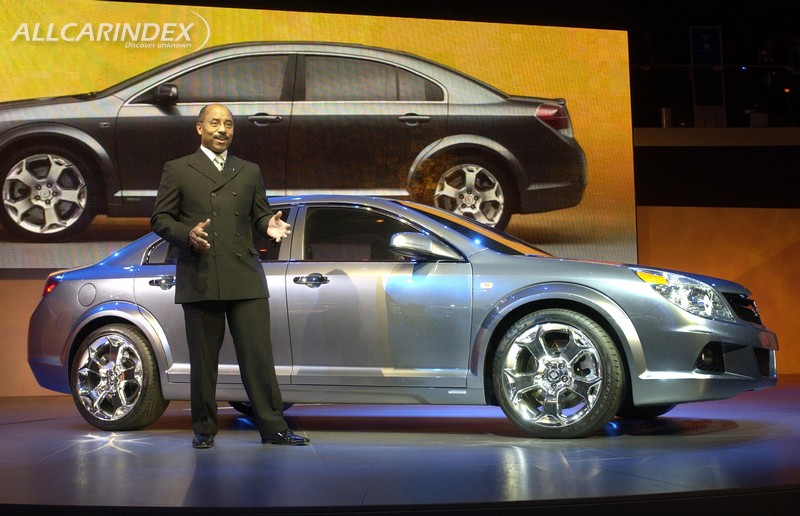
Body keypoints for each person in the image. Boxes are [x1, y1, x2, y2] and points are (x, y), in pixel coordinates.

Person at [151, 103, 309, 448]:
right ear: (199, 128)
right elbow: (160, 219)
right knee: (203, 361)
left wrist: (268, 225)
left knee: (258, 357)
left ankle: (273, 427)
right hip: (200, 272)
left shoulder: (249, 170)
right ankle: (204, 429)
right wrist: (187, 234)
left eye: (228, 124)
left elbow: (260, 215)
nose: (222, 130)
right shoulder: (178, 169)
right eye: (215, 123)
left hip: (244, 274)